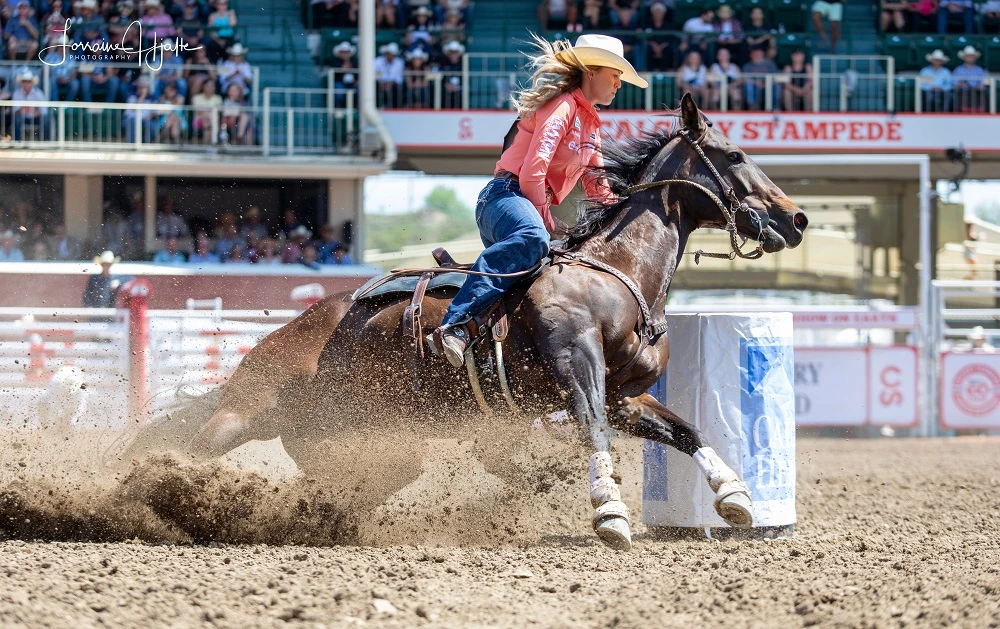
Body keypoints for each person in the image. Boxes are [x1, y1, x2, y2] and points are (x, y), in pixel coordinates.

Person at [429, 34, 647, 367]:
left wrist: (631, 216)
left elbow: (599, 188)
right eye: (614, 74)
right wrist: (546, 219)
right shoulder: (561, 106)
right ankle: (454, 326)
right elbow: (533, 171)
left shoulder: (591, 125)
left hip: (523, 203)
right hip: (504, 196)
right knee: (533, 238)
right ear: (591, 71)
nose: (619, 83)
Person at [742, 45, 779, 111]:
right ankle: (752, 108)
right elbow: (745, 78)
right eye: (755, 52)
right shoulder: (747, 66)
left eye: (759, 52)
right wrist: (756, 83)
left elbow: (775, 77)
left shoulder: (770, 64)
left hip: (768, 86)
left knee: (776, 86)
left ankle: (774, 108)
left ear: (763, 53)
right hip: (754, 86)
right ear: (751, 54)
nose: (757, 54)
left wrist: (765, 83)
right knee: (748, 85)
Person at [952, 46, 987, 113]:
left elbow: (985, 80)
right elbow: (954, 84)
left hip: (977, 91)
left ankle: (982, 112)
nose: (969, 58)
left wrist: (982, 85)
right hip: (963, 91)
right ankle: (960, 112)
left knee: (985, 93)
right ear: (964, 57)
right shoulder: (958, 70)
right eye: (968, 56)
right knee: (959, 94)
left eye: (971, 56)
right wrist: (960, 85)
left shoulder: (980, 69)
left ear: (975, 58)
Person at [375, 42, 404, 108]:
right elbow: (375, 75)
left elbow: (399, 78)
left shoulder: (399, 63)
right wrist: (381, 83)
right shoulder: (377, 61)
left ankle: (395, 108)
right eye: (389, 53)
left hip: (393, 84)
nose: (390, 55)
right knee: (374, 87)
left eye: (392, 54)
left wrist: (390, 83)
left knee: (398, 88)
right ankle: (376, 107)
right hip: (379, 83)